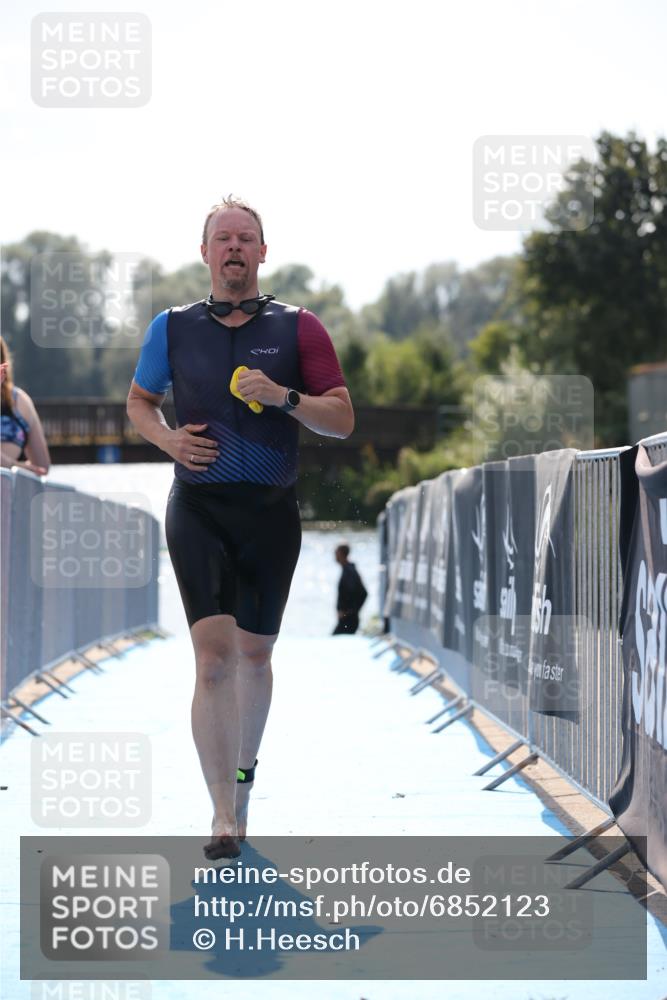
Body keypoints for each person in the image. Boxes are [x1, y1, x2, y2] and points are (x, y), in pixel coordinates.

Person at [126, 196, 354, 859]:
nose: (233, 247)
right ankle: (222, 814)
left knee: (254, 656)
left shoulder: (299, 327)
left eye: (244, 238)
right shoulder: (169, 327)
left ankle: (243, 785)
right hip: (196, 506)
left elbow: (340, 419)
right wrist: (168, 442)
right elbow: (139, 402)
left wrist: (282, 396)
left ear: (261, 252)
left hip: (269, 513)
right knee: (212, 658)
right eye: (221, 237)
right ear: (203, 252)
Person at [0, 337, 50, 476]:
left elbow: (42, 466)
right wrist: (17, 467)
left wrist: (15, 467)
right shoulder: (21, 400)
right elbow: (41, 466)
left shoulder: (20, 401)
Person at [332, 543, 367, 635]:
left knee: (333, 642)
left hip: (349, 620)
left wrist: (349, 612)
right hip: (347, 619)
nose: (334, 555)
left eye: (336, 552)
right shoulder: (347, 569)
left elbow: (363, 593)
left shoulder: (349, 571)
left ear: (341, 554)